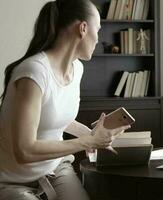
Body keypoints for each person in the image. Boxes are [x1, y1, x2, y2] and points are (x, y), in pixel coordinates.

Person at [0, 0, 130, 199]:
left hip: (55, 169)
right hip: (11, 180)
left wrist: (91, 135)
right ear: (83, 28)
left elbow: (53, 113)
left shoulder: (77, 68)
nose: (98, 38)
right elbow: (24, 151)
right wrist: (87, 141)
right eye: (98, 29)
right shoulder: (33, 72)